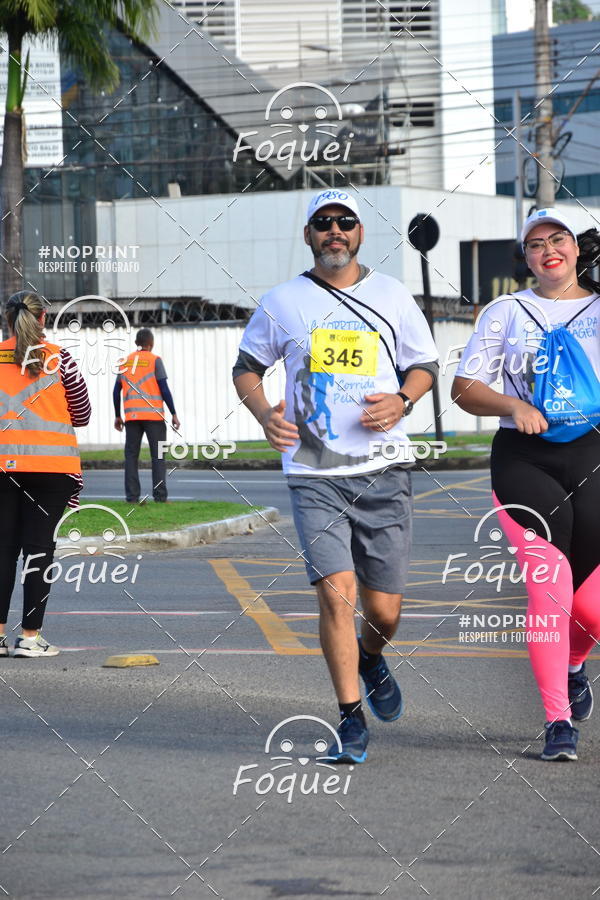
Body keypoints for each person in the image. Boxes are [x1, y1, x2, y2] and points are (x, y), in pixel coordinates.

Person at [233, 189, 439, 763]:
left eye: (344, 222)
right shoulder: (283, 301)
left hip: (383, 469)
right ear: (308, 236)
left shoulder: (392, 296)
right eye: (322, 223)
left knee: (385, 611)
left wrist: (401, 399)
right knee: (335, 596)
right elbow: (246, 368)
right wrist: (265, 413)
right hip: (313, 471)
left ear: (360, 233)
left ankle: (372, 656)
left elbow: (423, 365)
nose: (334, 231)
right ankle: (350, 719)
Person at [452, 208, 600, 762]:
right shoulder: (506, 311)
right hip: (524, 458)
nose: (547, 250)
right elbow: (465, 387)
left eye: (557, 238)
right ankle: (557, 722)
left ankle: (574, 663)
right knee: (549, 590)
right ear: (527, 257)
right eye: (534, 244)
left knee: (590, 611)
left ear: (577, 248)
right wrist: (514, 404)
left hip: (593, 453)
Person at [0, 291, 91, 658]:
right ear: (43, 319)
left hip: (4, 467)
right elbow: (82, 413)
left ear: (7, 321)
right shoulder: (61, 359)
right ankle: (30, 638)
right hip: (53, 470)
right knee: (39, 553)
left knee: (3, 551)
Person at [113, 328, 180, 503]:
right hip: (154, 418)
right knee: (157, 456)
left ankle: (132, 497)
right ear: (151, 344)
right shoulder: (155, 360)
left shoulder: (124, 362)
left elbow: (116, 390)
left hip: (132, 418)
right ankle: (160, 497)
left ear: (136, 343)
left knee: (131, 456)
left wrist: (117, 415)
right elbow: (164, 389)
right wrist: (174, 413)